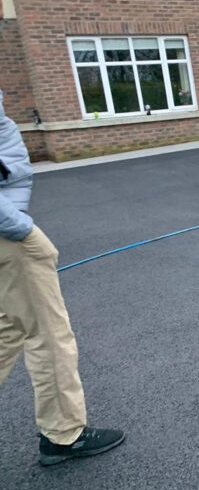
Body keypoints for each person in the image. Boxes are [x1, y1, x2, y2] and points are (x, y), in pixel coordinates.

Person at [0, 90, 124, 466]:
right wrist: (17, 227)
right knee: (48, 333)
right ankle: (63, 434)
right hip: (7, 233)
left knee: (9, 325)